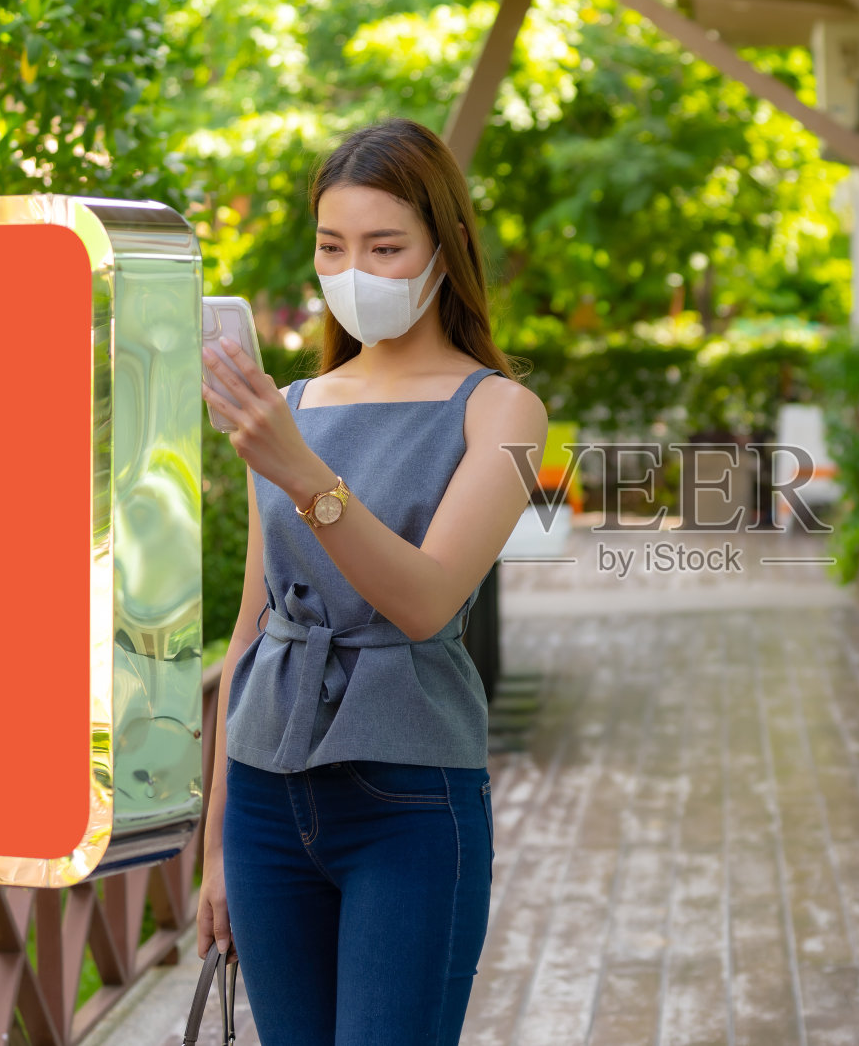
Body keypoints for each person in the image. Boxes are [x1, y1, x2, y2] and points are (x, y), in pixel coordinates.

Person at [193, 118, 548, 1046]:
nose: (355, 271)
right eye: (332, 246)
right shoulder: (295, 405)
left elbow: (429, 601)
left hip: (411, 798)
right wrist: (215, 846)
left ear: (447, 247)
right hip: (267, 800)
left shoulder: (503, 410)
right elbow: (249, 633)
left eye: (386, 246)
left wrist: (301, 471)